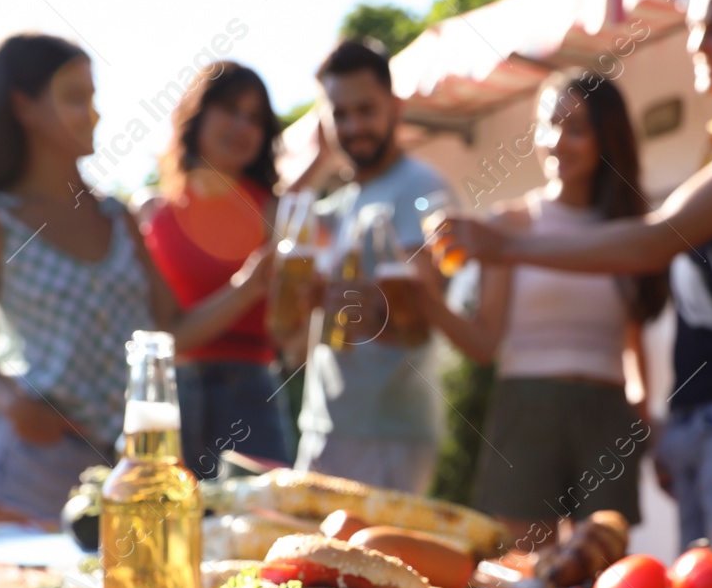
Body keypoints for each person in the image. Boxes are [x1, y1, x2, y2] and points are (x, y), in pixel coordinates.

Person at [441, 0, 712, 578]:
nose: (698, 44)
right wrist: (676, 419)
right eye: (696, 28)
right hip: (710, 412)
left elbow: (655, 242)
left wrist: (509, 244)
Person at [0, 34, 272, 527]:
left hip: (125, 464)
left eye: (92, 97)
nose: (93, 114)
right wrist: (9, 399)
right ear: (24, 107)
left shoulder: (118, 217)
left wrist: (251, 283)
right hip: (35, 459)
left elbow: (170, 334)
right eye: (75, 97)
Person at [416, 71, 666, 547]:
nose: (557, 142)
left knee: (603, 570)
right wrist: (425, 297)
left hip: (608, 413)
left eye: (577, 128)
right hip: (526, 408)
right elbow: (484, 342)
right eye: (549, 125)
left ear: (606, 138)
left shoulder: (631, 231)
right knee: (526, 574)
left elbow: (633, 335)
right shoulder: (509, 225)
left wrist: (644, 412)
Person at [288, 39, 451, 495]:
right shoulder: (345, 201)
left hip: (387, 431)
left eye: (366, 109)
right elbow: (270, 228)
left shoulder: (421, 187)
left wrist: (338, 301)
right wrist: (319, 161)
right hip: (327, 422)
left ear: (396, 108)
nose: (353, 125)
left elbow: (417, 312)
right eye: (339, 114)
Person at [142, 61, 293, 479]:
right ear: (196, 112)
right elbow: (164, 337)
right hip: (171, 397)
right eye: (230, 109)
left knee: (262, 532)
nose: (243, 127)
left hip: (253, 394)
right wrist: (246, 289)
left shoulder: (277, 212)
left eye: (255, 118)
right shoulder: (151, 215)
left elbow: (291, 337)